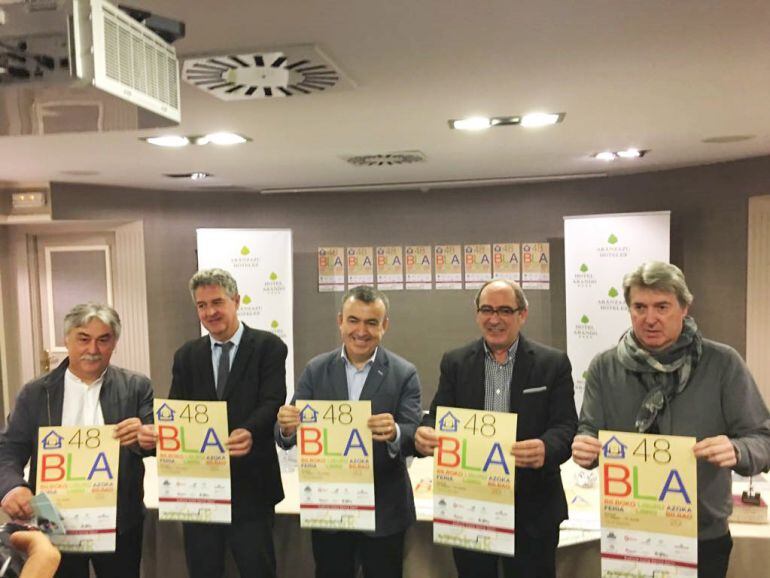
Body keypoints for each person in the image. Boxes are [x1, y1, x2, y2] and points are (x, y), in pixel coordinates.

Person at [572, 261, 770, 578]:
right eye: (640, 307)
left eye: (662, 306)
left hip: (701, 535)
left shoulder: (722, 363)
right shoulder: (604, 367)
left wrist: (738, 450)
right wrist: (584, 448)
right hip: (628, 531)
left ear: (684, 307)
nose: (650, 318)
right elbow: (589, 431)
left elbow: (762, 439)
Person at [415, 279, 578, 578]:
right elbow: (437, 417)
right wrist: (424, 433)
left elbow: (566, 426)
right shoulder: (455, 362)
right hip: (470, 504)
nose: (495, 319)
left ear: (522, 315)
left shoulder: (552, 363)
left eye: (505, 310)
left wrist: (546, 448)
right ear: (477, 314)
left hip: (533, 506)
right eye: (487, 309)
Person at [140, 268, 287, 578]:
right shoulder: (186, 355)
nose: (210, 312)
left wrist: (249, 430)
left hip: (252, 484)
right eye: (201, 305)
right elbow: (176, 409)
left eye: (217, 302)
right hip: (198, 487)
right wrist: (158, 430)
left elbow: (273, 400)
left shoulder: (268, 346)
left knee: (257, 569)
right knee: (203, 570)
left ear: (236, 300)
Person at [276, 285, 422, 578]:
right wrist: (286, 427)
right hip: (330, 506)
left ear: (385, 326)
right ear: (340, 321)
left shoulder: (404, 372)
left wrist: (394, 431)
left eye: (371, 322)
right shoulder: (316, 369)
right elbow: (285, 434)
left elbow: (414, 434)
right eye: (354, 320)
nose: (361, 331)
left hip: (384, 508)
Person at [0, 303, 153, 578]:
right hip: (53, 522)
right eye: (83, 338)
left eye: (103, 340)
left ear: (114, 343)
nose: (93, 350)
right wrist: (12, 488)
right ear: (66, 339)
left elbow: (155, 443)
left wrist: (147, 436)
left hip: (119, 521)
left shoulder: (137, 386)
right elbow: (8, 450)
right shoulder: (36, 393)